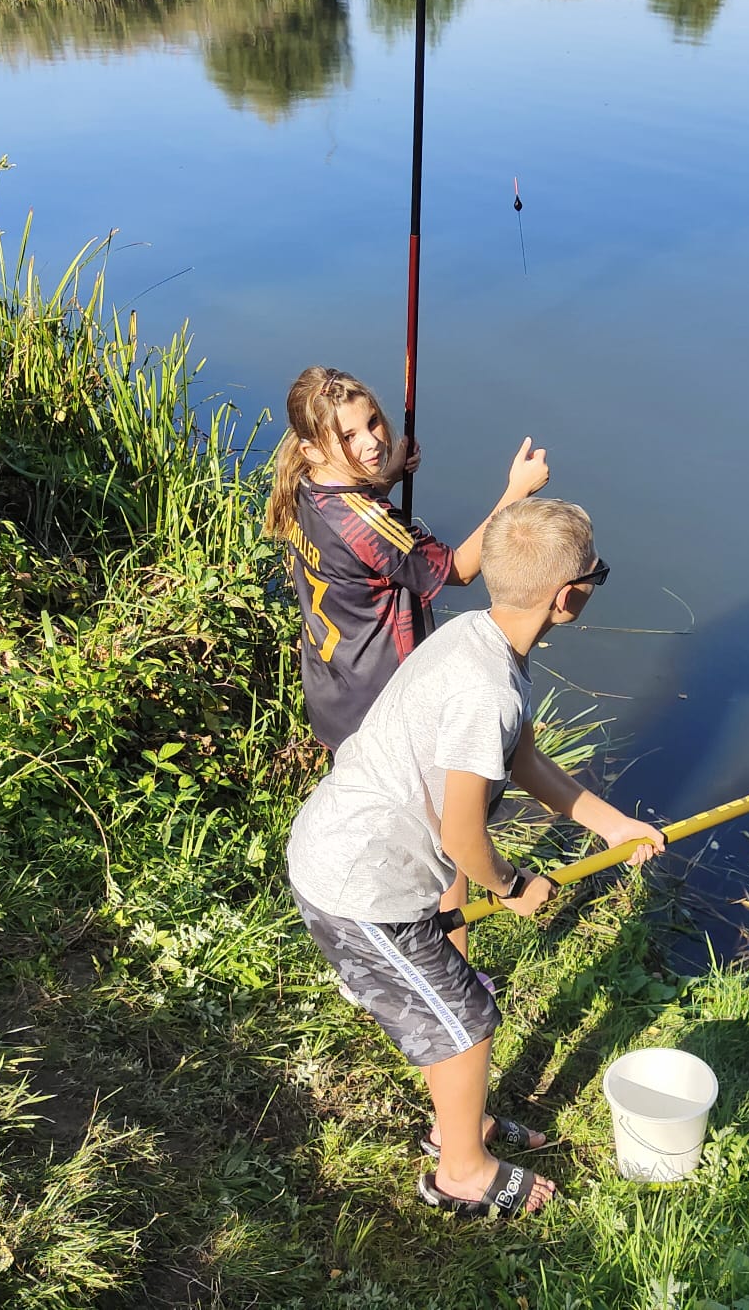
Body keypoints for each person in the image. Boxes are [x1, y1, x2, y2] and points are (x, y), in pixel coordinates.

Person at [285, 499, 665, 1217]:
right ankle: (460, 1171)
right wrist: (513, 884)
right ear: (567, 596)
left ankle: (460, 1125)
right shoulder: (487, 689)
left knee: (452, 1012)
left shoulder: (479, 638)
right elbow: (463, 836)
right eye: (597, 574)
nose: (594, 584)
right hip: (359, 887)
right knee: (465, 1023)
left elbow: (524, 761)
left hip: (367, 863)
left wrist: (612, 825)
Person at [264, 365, 550, 753]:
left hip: (333, 693)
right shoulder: (370, 524)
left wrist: (389, 476)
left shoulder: (303, 487)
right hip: (383, 706)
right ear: (311, 450)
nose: (372, 442)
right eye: (349, 436)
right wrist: (517, 490)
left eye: (372, 422)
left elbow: (350, 524)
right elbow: (460, 569)